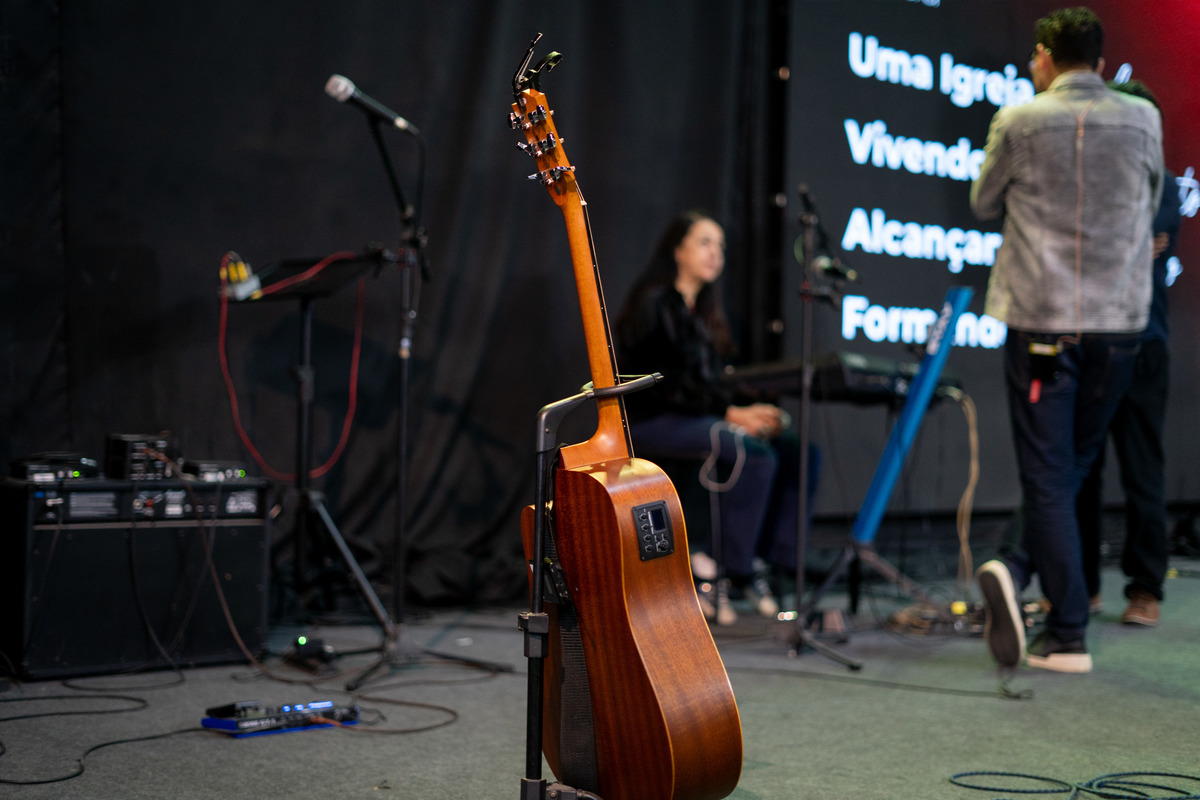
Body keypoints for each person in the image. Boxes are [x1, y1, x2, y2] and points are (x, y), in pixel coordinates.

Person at [969, 7, 1163, 673]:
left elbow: (982, 202)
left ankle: (1068, 632)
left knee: (1050, 474)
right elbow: (1153, 194)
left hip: (1043, 320)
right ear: (1102, 64)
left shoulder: (1021, 118)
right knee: (1072, 465)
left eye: (1033, 58)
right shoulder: (1142, 118)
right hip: (1120, 327)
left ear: (1047, 57)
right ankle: (1019, 565)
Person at [615, 210, 814, 625]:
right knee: (750, 451)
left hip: (694, 416)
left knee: (799, 450)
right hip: (653, 420)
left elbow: (714, 381)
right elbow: (668, 386)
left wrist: (753, 408)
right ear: (678, 250)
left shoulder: (704, 311)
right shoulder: (656, 303)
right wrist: (732, 414)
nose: (716, 253)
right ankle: (725, 568)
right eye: (705, 242)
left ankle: (766, 561)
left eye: (720, 246)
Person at [1075, 80, 1181, 628]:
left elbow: (1125, 237)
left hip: (1144, 345)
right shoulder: (1090, 180)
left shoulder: (1163, 182)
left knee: (1142, 471)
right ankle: (1082, 589)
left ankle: (1145, 589)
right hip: (1091, 340)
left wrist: (1121, 239)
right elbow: (1106, 239)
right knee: (1083, 470)